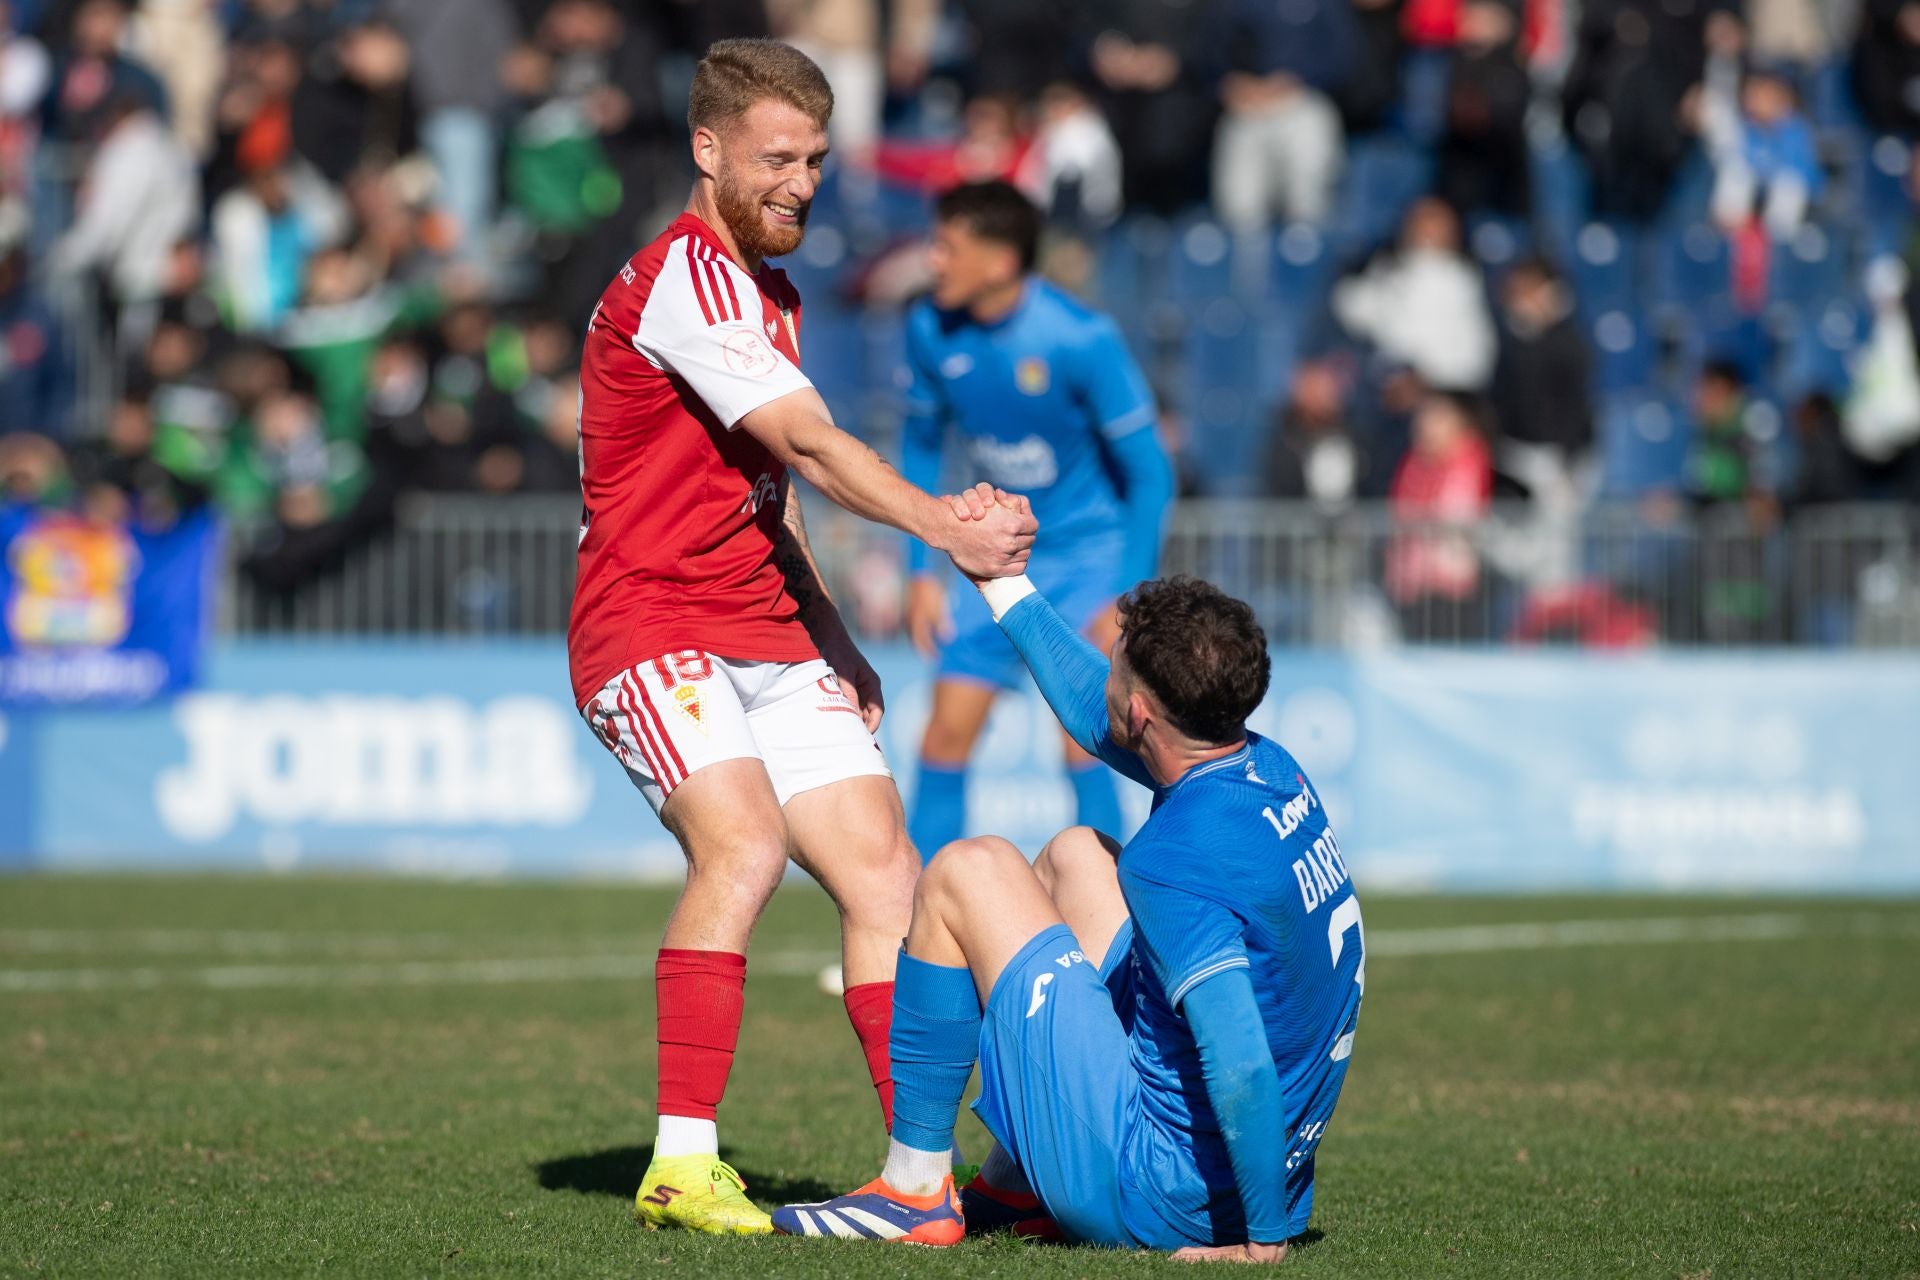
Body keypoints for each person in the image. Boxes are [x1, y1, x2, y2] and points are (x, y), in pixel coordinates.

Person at [566, 39, 1037, 1237]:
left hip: (766, 624)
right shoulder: (686, 279)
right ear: (706, 150)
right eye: (778, 158)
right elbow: (819, 446)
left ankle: (919, 1175)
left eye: (818, 159)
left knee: (887, 871)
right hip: (648, 617)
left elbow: (770, 492)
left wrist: (830, 630)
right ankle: (680, 1158)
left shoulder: (766, 292)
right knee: (745, 843)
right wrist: (946, 530)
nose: (803, 182)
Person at [773, 563, 1363, 1260]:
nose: (1102, 669)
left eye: (1114, 662)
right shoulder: (1266, 766)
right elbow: (1094, 710)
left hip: (1158, 1193)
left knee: (965, 871)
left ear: (1140, 712)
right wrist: (1001, 584)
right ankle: (1016, 1182)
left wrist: (1263, 1241)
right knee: (1078, 856)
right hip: (1234, 1175)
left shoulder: (1176, 859)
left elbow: (1240, 1059)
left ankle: (913, 1190)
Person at [899, 180, 1173, 866]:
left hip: (1088, 563)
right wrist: (919, 572)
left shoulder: (1080, 339)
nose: (932, 261)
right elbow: (922, 446)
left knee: (1086, 740)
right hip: (994, 559)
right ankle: (919, 932)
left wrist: (1126, 595)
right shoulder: (929, 329)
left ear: (999, 263)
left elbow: (1151, 474)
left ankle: (1112, 924)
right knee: (943, 737)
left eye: (947, 247)